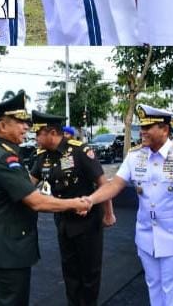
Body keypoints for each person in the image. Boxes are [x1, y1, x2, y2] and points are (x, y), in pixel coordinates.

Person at [86, 105, 173, 306]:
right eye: (142, 126)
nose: (142, 131)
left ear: (165, 130)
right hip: (145, 237)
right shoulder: (135, 155)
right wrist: (91, 200)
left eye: (149, 126)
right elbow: (115, 184)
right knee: (153, 287)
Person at [0, 92, 91, 306]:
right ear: (3, 126)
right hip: (6, 253)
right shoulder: (4, 157)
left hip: (7, 249)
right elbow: (36, 201)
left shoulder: (3, 152)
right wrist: (75, 203)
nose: (26, 127)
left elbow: (26, 185)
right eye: (20, 122)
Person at [29, 111, 115, 305]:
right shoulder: (43, 157)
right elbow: (28, 184)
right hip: (63, 221)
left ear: (51, 132)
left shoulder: (79, 151)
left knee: (89, 273)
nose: (35, 138)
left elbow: (104, 184)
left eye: (38, 133)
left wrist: (109, 213)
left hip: (88, 222)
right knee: (70, 272)